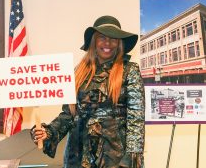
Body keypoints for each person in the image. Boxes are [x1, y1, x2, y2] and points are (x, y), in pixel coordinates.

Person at [30, 15, 145, 168]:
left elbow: (136, 120)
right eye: (102, 37)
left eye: (113, 39)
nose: (108, 43)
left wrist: (130, 159)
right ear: (94, 41)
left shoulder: (130, 71)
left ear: (119, 43)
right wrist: (48, 132)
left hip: (114, 156)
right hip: (77, 153)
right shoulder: (78, 72)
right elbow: (69, 114)